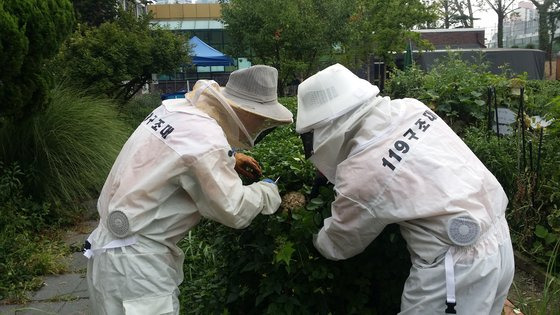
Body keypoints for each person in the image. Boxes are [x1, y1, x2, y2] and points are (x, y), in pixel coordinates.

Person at [295, 63, 514, 314]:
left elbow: (339, 243)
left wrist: (311, 239)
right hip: (499, 238)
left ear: (326, 127)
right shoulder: (412, 108)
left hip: (456, 269)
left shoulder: (361, 174)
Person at [84, 65, 293, 314]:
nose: (262, 124)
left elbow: (174, 150)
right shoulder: (207, 143)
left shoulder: (175, 110)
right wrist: (268, 191)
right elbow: (234, 209)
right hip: (137, 272)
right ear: (244, 110)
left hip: (109, 252)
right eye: (261, 117)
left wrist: (229, 158)